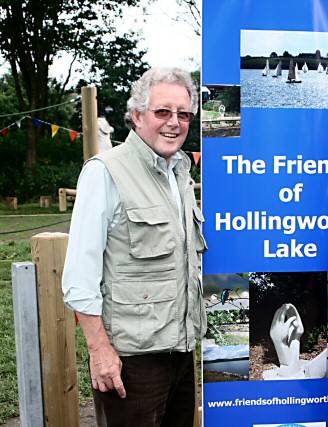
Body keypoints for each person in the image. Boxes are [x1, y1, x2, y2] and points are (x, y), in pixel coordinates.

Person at [61, 67, 207, 427]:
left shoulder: (180, 173)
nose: (174, 122)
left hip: (181, 353)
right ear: (137, 115)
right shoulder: (105, 172)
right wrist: (100, 352)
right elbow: (80, 277)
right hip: (130, 360)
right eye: (163, 112)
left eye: (183, 114)